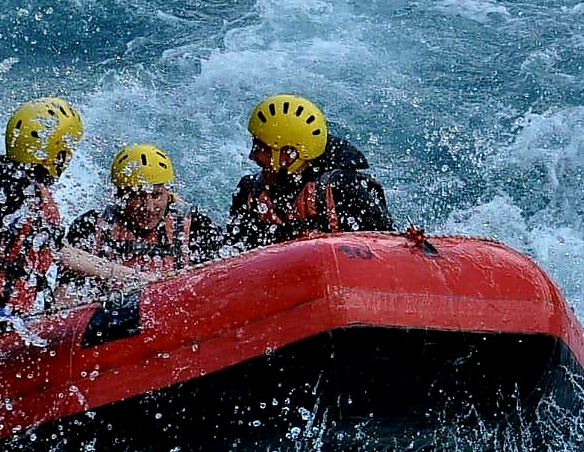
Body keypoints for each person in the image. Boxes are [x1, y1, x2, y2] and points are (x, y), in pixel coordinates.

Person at [0, 97, 143, 342]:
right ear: (58, 153)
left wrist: (128, 276)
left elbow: (59, 252)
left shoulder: (22, 187)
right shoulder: (5, 181)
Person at [60, 143, 224, 304]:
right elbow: (62, 300)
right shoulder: (90, 226)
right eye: (137, 196)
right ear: (120, 196)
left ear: (168, 194)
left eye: (156, 195)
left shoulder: (196, 226)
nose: (149, 207)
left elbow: (220, 284)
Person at [225, 94, 393, 249]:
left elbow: (385, 246)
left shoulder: (342, 189)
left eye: (261, 147)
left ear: (289, 154)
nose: (252, 155)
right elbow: (234, 251)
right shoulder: (250, 192)